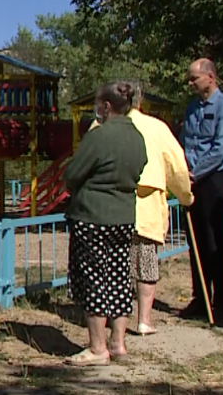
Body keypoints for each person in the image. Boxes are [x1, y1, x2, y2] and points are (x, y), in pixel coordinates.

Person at [87, 80, 194, 335]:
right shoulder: (157, 127)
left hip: (110, 204)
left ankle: (111, 318)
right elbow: (176, 166)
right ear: (139, 101)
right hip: (147, 205)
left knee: (113, 264)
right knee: (146, 262)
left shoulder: (100, 126)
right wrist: (185, 196)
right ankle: (144, 320)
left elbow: (86, 160)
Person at [62, 81, 147, 366]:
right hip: (124, 215)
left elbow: (73, 173)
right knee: (119, 277)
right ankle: (118, 342)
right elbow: (140, 168)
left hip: (93, 215)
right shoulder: (137, 136)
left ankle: (97, 348)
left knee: (94, 278)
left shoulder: (99, 136)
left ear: (107, 106)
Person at [179, 58, 223, 323]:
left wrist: (195, 173)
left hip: (213, 179)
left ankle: (221, 304)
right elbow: (185, 142)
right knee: (196, 241)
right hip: (191, 180)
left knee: (216, 242)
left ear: (210, 77)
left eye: (194, 78)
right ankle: (201, 298)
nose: (190, 83)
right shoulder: (192, 108)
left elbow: (220, 150)